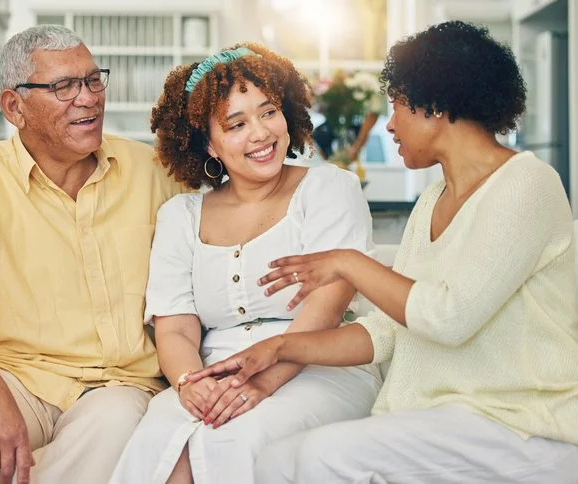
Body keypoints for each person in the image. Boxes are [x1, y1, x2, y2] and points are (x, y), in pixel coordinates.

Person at [190, 21, 578, 484]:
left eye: (398, 106)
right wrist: (278, 347)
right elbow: (384, 333)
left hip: (527, 431)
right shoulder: (431, 201)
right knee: (280, 461)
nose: (389, 124)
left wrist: (347, 262)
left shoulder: (528, 184)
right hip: (448, 425)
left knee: (310, 459)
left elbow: (449, 317)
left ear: (436, 105)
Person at [0, 25, 184, 484]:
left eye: (93, 80)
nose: (89, 98)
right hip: (15, 379)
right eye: (64, 86)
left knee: (117, 425)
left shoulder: (156, 174)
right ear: (15, 107)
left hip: (119, 385)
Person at [108, 43, 381, 484]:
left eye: (268, 112)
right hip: (212, 374)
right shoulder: (180, 217)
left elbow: (325, 310)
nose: (260, 133)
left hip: (316, 369)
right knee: (162, 451)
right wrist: (189, 383)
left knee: (232, 440)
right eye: (236, 124)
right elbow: (175, 328)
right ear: (208, 145)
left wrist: (261, 383)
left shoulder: (330, 190)